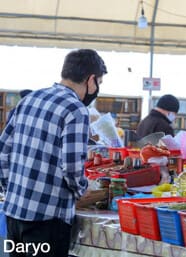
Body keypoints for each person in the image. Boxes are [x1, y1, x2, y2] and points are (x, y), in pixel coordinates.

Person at [0, 49, 107, 257]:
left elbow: (2, 151)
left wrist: (11, 189)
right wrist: (82, 190)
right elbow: (72, 167)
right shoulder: (76, 109)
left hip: (14, 215)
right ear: (91, 80)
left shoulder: (29, 99)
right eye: (99, 83)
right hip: (47, 221)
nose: (96, 89)